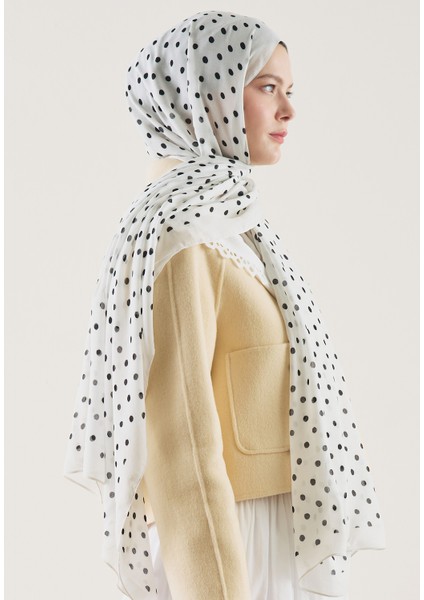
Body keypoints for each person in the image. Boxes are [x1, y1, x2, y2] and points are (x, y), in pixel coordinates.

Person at [64, 10, 385, 600]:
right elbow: (180, 448)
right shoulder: (179, 236)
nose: (288, 111)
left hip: (270, 531)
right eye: (267, 88)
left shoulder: (236, 227)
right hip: (231, 542)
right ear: (202, 96)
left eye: (290, 91)